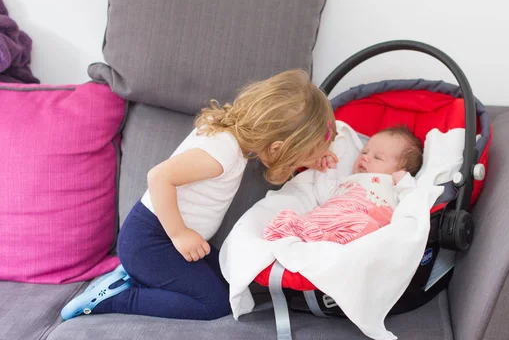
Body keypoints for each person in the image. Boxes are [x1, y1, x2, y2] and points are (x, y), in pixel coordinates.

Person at [61, 69, 337, 321]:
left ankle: (132, 279)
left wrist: (311, 159)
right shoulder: (222, 152)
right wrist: (180, 233)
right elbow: (159, 176)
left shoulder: (233, 138)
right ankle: (116, 298)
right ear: (276, 148)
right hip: (151, 241)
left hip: (163, 243)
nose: (296, 164)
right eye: (296, 158)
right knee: (215, 305)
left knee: (234, 283)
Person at [264, 125, 423, 244]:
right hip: (332, 214)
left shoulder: (395, 184)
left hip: (362, 224)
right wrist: (329, 170)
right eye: (364, 152)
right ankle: (291, 229)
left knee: (366, 225)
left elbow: (413, 205)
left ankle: (316, 239)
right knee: (314, 215)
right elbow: (325, 197)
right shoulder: (349, 180)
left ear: (402, 170)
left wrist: (405, 181)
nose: (365, 158)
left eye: (378, 158)